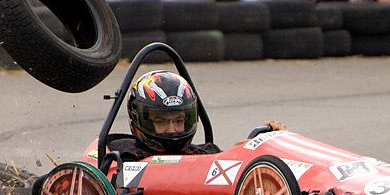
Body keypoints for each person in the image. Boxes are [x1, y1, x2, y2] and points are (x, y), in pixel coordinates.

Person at [111, 70, 286, 161]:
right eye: (160, 121)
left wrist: (262, 144)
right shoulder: (126, 157)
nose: (172, 130)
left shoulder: (204, 153)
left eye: (179, 120)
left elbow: (228, 162)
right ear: (140, 120)